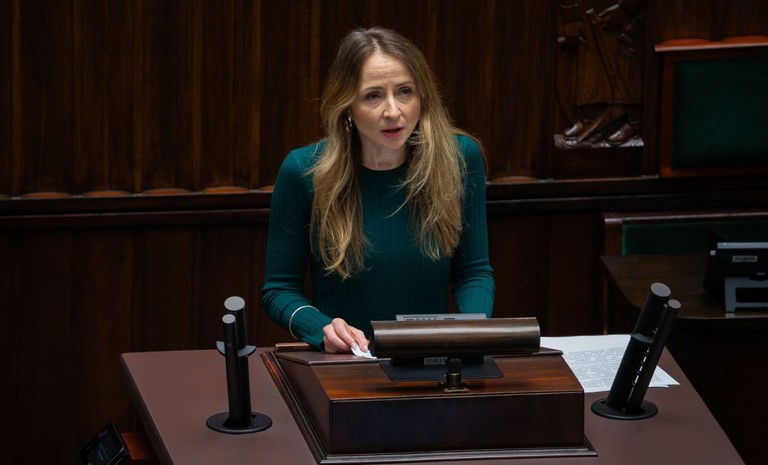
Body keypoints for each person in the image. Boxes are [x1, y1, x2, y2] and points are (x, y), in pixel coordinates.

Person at [261, 27, 495, 354]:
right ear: (347, 106)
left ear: (422, 96)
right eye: (373, 96)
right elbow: (278, 290)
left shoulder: (459, 158)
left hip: (434, 360)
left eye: (405, 91)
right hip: (348, 361)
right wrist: (321, 328)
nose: (393, 112)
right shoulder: (303, 171)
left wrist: (470, 332)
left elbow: (473, 272)